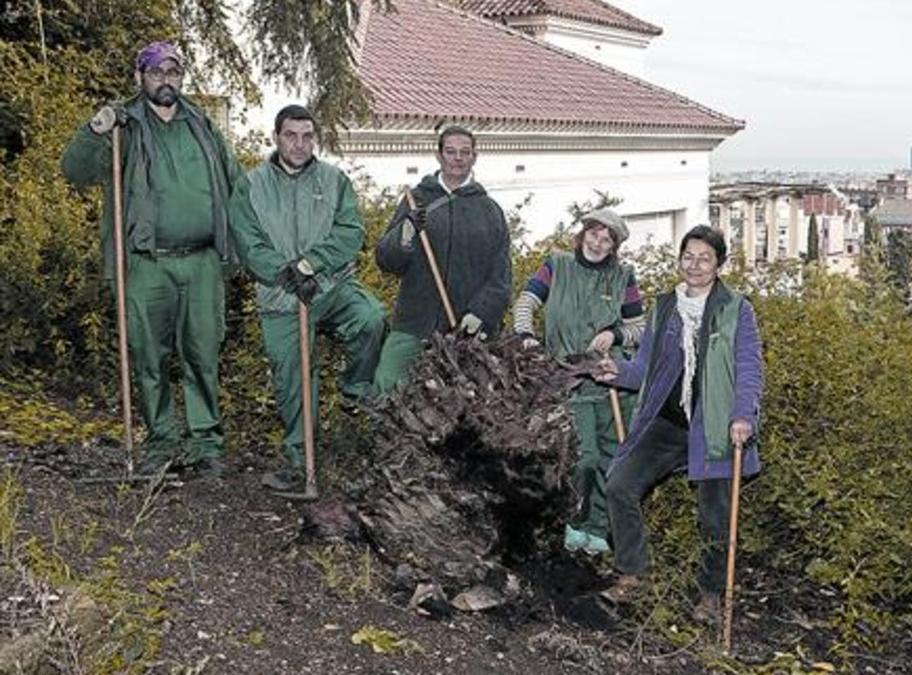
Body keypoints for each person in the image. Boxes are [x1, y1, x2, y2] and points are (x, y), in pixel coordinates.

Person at [60, 41, 243, 476]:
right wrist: (96, 129)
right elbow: (74, 172)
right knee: (149, 357)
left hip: (202, 262)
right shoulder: (124, 125)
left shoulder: (201, 123)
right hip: (146, 264)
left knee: (203, 355)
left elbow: (235, 183)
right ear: (139, 76)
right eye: (157, 72)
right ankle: (161, 442)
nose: (167, 80)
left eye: (174, 72)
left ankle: (205, 444)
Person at [593, 225, 764, 624]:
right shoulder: (666, 305)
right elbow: (647, 367)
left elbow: (749, 368)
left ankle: (710, 594)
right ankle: (633, 573)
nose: (696, 265)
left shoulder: (736, 309)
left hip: (717, 427)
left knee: (714, 515)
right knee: (619, 485)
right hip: (668, 422)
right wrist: (615, 372)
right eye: (689, 256)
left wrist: (743, 416)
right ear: (680, 260)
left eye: (705, 258)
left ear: (720, 264)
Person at [226, 105, 386, 491]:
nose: (300, 144)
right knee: (293, 377)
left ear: (316, 138)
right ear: (276, 137)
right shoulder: (251, 185)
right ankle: (301, 460)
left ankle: (354, 390)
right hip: (281, 297)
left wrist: (312, 265)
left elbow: (350, 232)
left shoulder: (334, 181)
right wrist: (285, 273)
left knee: (372, 316)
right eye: (291, 135)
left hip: (330, 286)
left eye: (307, 136)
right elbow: (248, 242)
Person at [512, 210, 646, 555]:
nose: (598, 243)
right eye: (594, 234)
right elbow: (526, 302)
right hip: (566, 380)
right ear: (583, 233)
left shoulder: (623, 277)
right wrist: (525, 337)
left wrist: (613, 333)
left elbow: (639, 328)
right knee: (582, 458)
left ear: (614, 246)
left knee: (611, 458)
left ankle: (598, 530)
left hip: (610, 381)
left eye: (607, 240)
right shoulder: (557, 265)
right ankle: (576, 520)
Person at [373, 125, 511, 393]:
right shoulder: (417, 200)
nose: (458, 158)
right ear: (439, 156)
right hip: (414, 322)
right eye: (451, 152)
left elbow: (501, 276)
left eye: (465, 152)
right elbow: (386, 261)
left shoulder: (490, 212)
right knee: (387, 384)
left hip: (465, 331)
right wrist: (406, 232)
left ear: (474, 157)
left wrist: (480, 313)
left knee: (462, 403)